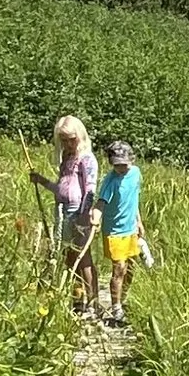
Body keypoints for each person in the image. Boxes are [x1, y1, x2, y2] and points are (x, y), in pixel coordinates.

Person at [30, 115, 100, 313]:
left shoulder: (86, 158)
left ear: (80, 136)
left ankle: (93, 302)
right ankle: (77, 300)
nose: (68, 144)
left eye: (72, 139)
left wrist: (85, 213)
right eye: (64, 140)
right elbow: (63, 188)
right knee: (68, 256)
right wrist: (42, 181)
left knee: (82, 256)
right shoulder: (66, 159)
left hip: (79, 211)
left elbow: (90, 188)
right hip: (62, 209)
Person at [96, 139, 146, 324]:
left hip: (131, 228)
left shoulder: (135, 174)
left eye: (124, 164)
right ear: (111, 163)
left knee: (131, 268)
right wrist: (95, 217)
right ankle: (115, 307)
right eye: (117, 165)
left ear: (131, 160)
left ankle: (123, 300)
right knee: (119, 268)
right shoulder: (110, 182)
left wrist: (138, 221)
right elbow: (100, 203)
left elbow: (134, 199)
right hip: (114, 231)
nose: (122, 168)